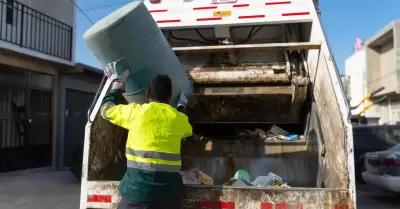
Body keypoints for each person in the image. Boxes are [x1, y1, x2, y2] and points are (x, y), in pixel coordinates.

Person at [100, 74, 193, 209]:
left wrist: (115, 90)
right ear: (170, 95)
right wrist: (181, 106)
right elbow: (187, 129)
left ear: (147, 93)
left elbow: (105, 110)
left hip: (136, 193)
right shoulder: (178, 118)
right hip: (167, 196)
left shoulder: (135, 113)